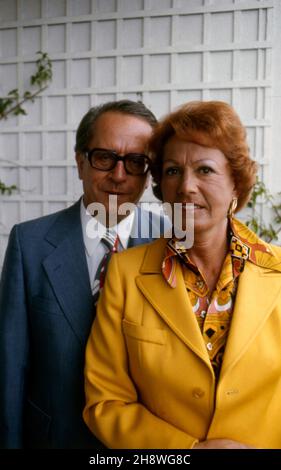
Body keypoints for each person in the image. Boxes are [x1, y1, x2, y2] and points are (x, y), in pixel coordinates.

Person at [83, 100, 281, 449]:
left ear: (236, 183)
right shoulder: (125, 274)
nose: (186, 186)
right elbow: (106, 402)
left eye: (205, 170)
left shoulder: (277, 272)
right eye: (173, 171)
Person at [0, 99, 167, 449]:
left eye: (135, 162)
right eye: (105, 157)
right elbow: (10, 368)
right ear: (80, 162)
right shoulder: (28, 244)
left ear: (149, 173)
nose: (119, 176)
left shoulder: (172, 243)